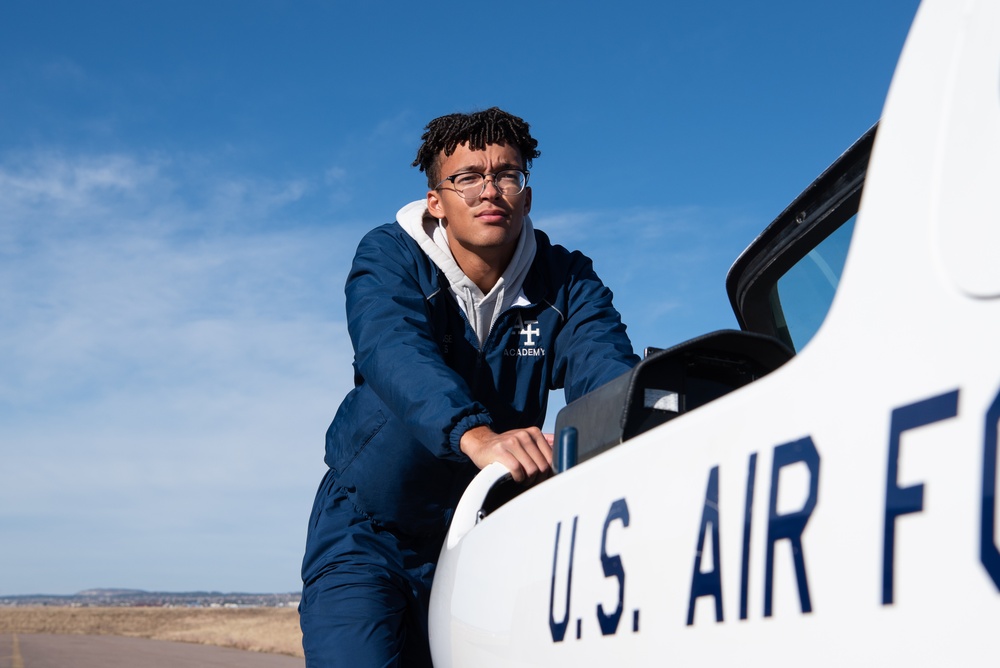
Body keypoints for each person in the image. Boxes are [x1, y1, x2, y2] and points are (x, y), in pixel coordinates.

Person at [299, 107, 639, 667]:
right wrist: (475, 434)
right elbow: (393, 350)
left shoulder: (567, 280)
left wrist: (634, 428)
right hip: (370, 527)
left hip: (483, 535)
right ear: (437, 199)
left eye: (507, 175)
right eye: (467, 178)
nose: (490, 192)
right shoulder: (390, 256)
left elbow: (605, 366)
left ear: (526, 195)